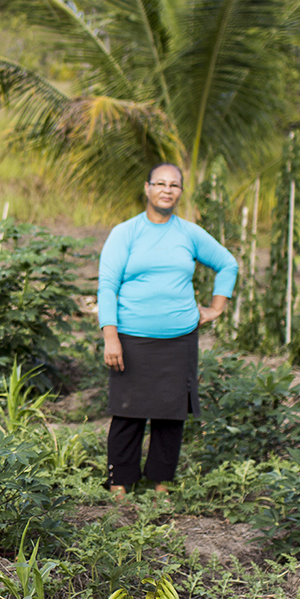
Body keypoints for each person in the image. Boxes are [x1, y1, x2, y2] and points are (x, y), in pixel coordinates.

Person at [97, 163, 238, 496]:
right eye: (160, 183)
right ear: (147, 188)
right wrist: (110, 336)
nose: (167, 190)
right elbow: (107, 285)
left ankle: (161, 486)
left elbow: (227, 263)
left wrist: (216, 307)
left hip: (179, 339)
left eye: (174, 185)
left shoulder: (189, 233)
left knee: (171, 416)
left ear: (180, 192)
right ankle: (120, 485)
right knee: (127, 414)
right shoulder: (126, 232)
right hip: (131, 338)